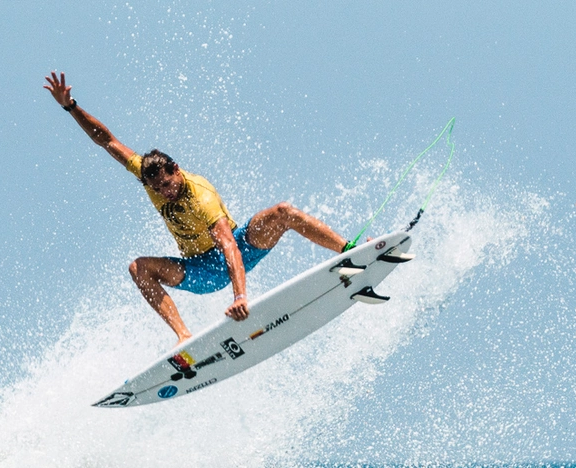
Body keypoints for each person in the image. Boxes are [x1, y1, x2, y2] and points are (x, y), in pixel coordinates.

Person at [44, 73, 348, 341]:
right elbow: (107, 141)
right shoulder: (147, 173)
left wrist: (240, 297)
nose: (165, 193)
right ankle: (183, 336)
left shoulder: (201, 196)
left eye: (167, 184)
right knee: (138, 268)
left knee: (283, 212)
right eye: (157, 189)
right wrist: (70, 107)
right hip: (200, 270)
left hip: (239, 250)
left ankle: (346, 249)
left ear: (176, 169)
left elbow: (229, 245)